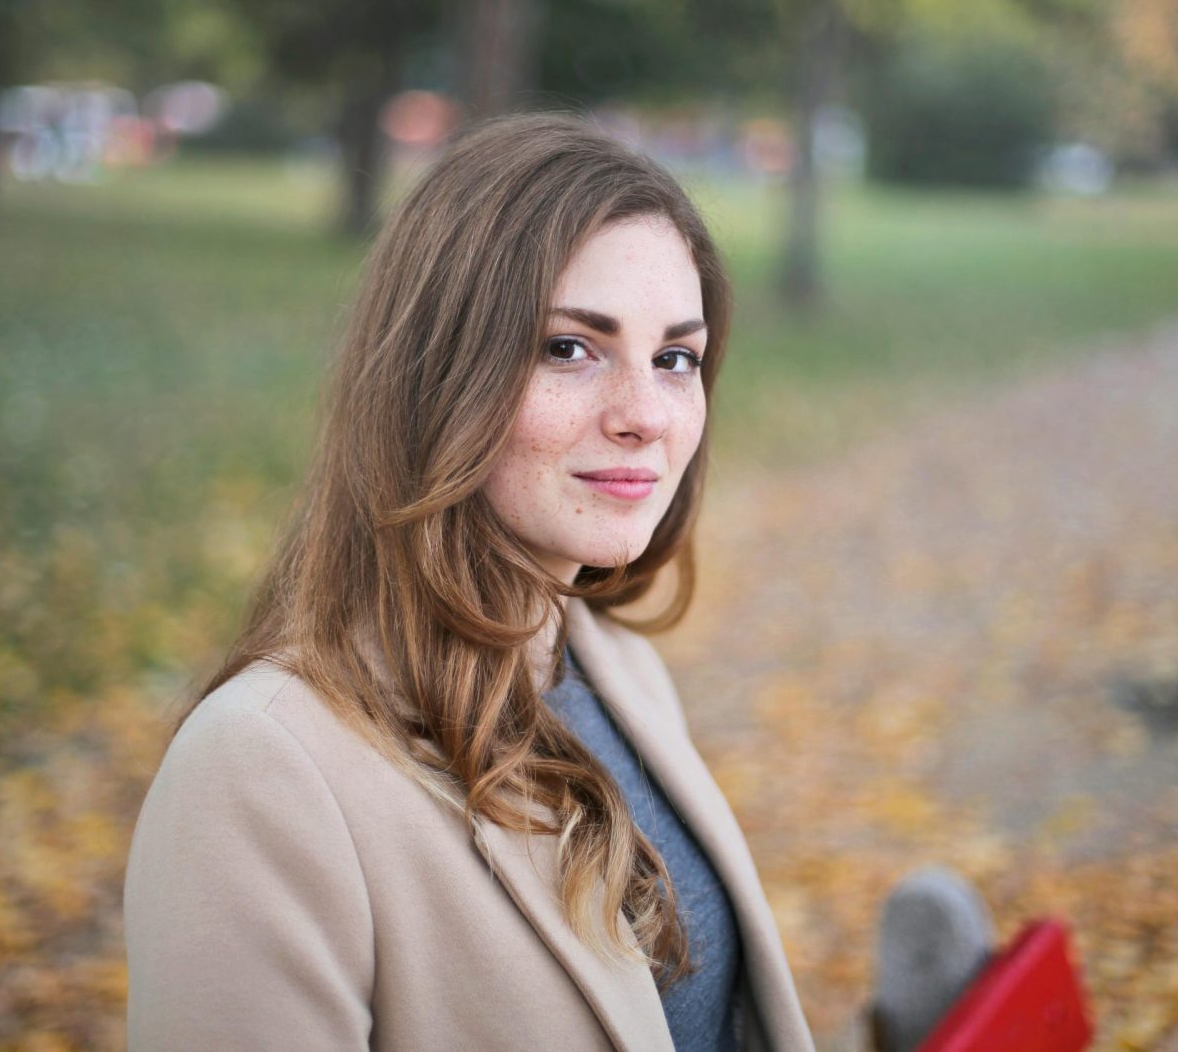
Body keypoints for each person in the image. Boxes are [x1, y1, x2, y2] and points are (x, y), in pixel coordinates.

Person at [122, 112, 816, 1052]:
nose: (646, 414)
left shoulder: (614, 665)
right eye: (570, 347)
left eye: (675, 358)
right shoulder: (261, 771)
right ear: (437, 373)